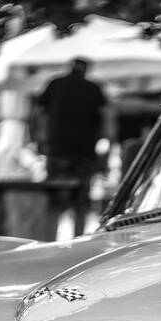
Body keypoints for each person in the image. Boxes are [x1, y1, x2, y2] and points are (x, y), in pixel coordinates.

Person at [34, 57, 107, 235]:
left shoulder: (55, 84)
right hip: (83, 153)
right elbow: (106, 118)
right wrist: (106, 145)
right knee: (80, 204)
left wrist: (39, 140)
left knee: (54, 203)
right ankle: (77, 242)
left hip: (57, 151)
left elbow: (38, 114)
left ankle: (48, 242)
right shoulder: (93, 88)